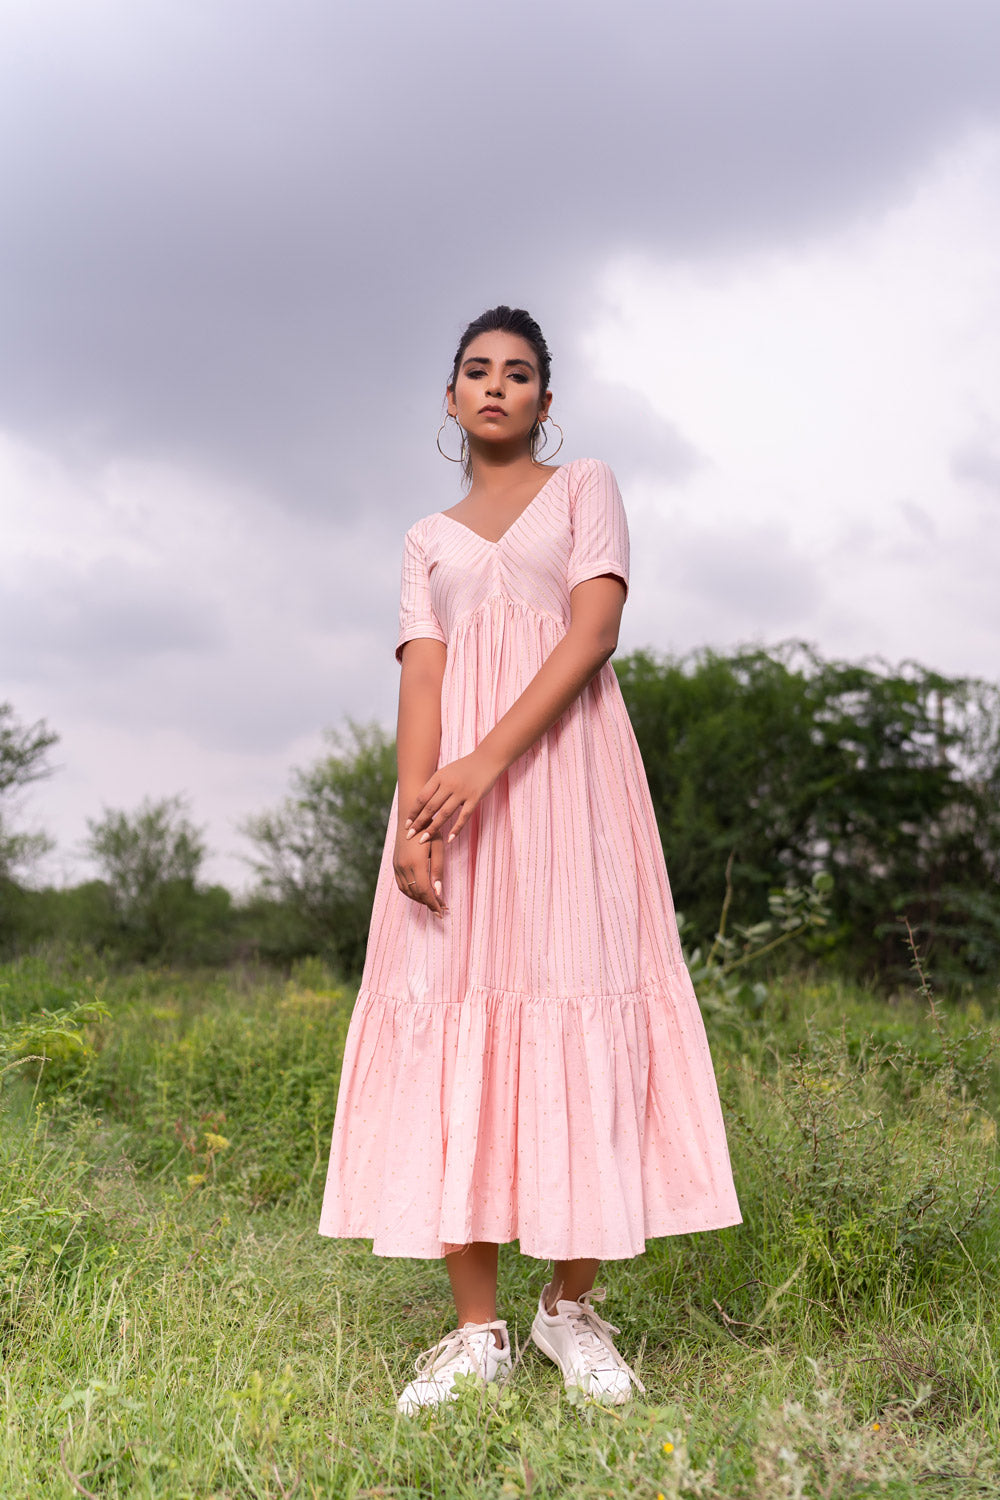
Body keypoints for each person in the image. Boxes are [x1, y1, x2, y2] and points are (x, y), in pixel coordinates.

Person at [319, 305, 741, 1413]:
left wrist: (482, 763)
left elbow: (592, 633)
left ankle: (570, 1309)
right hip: (452, 807)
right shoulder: (425, 539)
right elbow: (421, 676)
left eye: (518, 374)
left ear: (546, 402)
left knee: (577, 1004)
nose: (496, 386)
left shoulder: (583, 487)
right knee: (454, 1016)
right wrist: (418, 812)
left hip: (566, 791)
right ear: (451, 399)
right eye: (476, 371)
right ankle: (477, 1332)